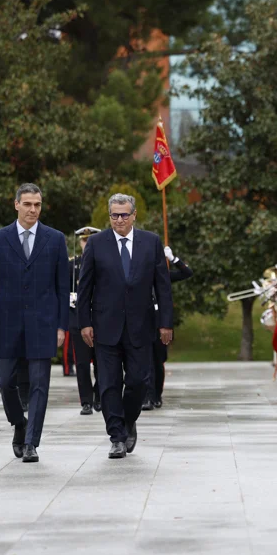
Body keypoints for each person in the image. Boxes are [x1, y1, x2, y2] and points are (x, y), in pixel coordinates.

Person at [77, 193, 173, 459]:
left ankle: (129, 420)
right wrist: (83, 322)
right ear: (110, 216)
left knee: (138, 382)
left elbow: (162, 286)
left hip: (141, 327)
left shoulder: (150, 242)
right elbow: (84, 287)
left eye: (124, 214)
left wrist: (166, 323)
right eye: (114, 215)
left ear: (134, 215)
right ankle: (117, 436)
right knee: (108, 384)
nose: (119, 220)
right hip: (105, 327)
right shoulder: (96, 244)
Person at [0, 183, 69, 463]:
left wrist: (61, 326)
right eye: (28, 204)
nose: (33, 209)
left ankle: (31, 442)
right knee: (6, 381)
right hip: (6, 325)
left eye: (37, 205)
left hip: (43, 324)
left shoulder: (55, 240)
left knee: (40, 384)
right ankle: (19, 422)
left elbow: (62, 288)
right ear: (16, 204)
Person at [143, 245, 193, 410]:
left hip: (160, 322)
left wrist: (173, 259)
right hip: (143, 322)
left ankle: (157, 395)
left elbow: (187, 273)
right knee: (146, 362)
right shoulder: (138, 275)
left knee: (158, 361)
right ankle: (148, 397)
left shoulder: (163, 275)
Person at [69, 226, 102, 415]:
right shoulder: (72, 264)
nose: (86, 244)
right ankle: (86, 401)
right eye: (84, 241)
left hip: (99, 318)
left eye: (90, 241)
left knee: (101, 362)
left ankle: (99, 396)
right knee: (81, 364)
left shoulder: (103, 262)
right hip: (78, 318)